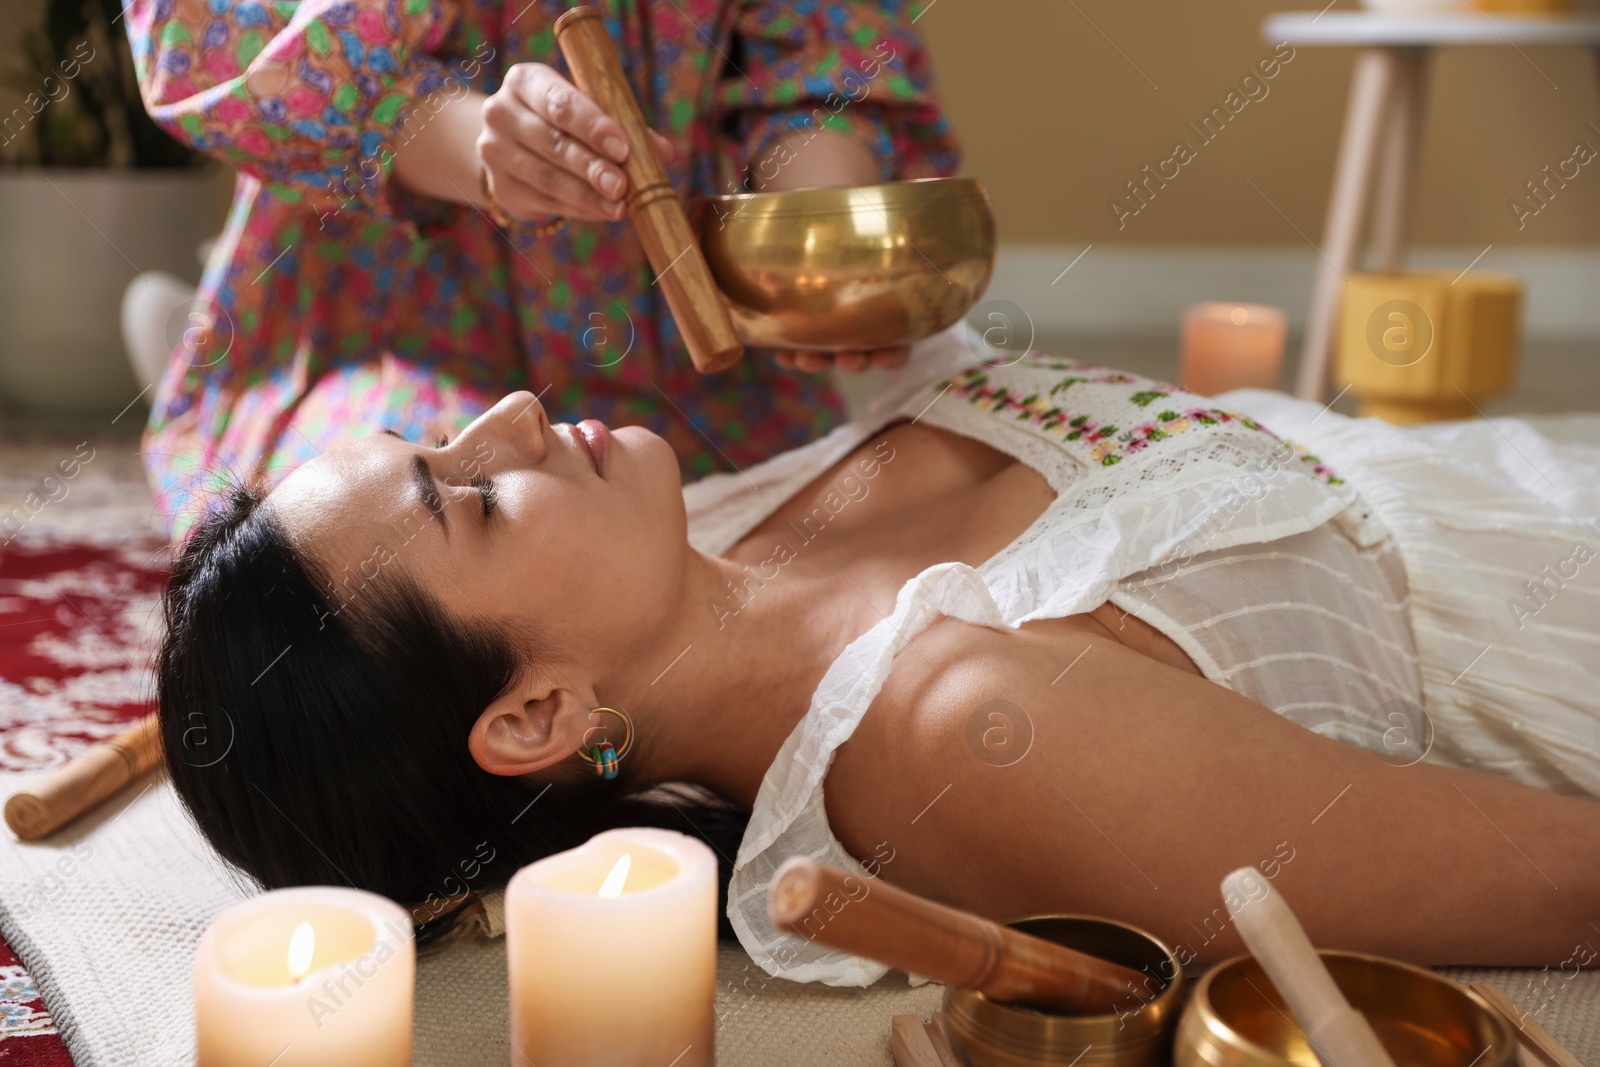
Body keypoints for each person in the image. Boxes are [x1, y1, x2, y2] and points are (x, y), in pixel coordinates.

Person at [157, 328, 1600, 983]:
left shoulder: (707, 529)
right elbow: (1566, 874)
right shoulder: (965, 728)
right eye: (467, 495)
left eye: (444, 434)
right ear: (539, 712)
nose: (520, 413)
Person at [124, 0, 957, 533]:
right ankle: (239, 368)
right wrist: (471, 146)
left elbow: (823, 61)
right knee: (401, 561)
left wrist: (820, 251)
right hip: (401, 320)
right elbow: (207, 40)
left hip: (675, 348)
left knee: (840, 537)